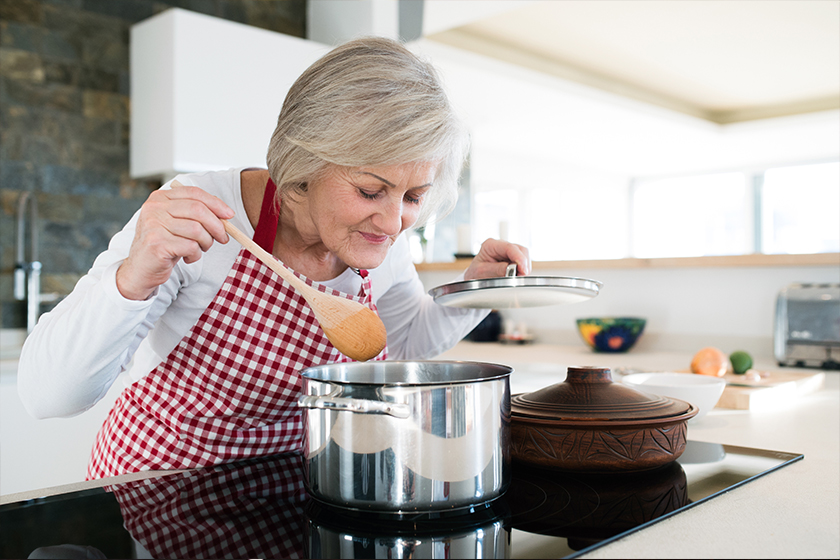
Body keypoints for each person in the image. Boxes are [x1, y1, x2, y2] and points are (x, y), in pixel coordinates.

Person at [17, 37, 531, 480]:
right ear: (304, 164)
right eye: (371, 190)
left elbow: (403, 342)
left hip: (293, 491)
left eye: (414, 197)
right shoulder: (198, 216)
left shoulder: (375, 241)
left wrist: (475, 290)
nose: (394, 222)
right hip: (161, 495)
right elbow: (49, 396)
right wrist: (133, 278)